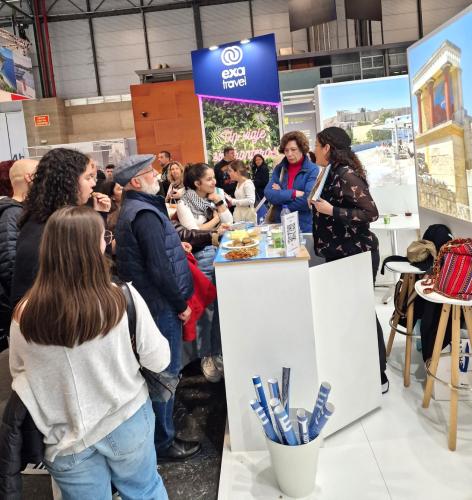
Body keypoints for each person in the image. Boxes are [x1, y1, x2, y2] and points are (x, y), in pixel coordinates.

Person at [10, 205, 170, 499]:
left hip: (64, 437)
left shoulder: (24, 314)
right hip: (126, 417)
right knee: (145, 490)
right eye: (104, 237)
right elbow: (159, 359)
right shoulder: (121, 298)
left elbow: (20, 376)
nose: (107, 242)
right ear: (93, 247)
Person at [113, 154, 200, 461]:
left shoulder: (136, 209)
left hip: (151, 302)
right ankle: (163, 442)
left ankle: (160, 437)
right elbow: (159, 269)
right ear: (136, 181)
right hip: (159, 305)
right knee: (165, 373)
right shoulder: (144, 214)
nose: (155, 176)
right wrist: (180, 304)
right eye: (149, 172)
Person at [310, 126, 388, 394]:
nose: (314, 150)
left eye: (317, 145)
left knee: (362, 312)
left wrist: (331, 210)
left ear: (327, 148)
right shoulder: (329, 172)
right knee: (348, 313)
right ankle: (357, 368)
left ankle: (378, 374)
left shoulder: (346, 174)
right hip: (339, 254)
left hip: (356, 255)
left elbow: (370, 213)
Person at [10, 148, 111, 308]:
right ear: (68, 182)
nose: (93, 183)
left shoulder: (48, 220)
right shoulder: (48, 230)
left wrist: (100, 216)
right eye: (88, 177)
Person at [177, 163, 232, 382]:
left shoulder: (215, 197)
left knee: (221, 306)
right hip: (202, 255)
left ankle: (218, 351)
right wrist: (217, 221)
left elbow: (230, 222)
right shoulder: (184, 203)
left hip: (223, 250)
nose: (214, 182)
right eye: (209, 179)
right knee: (207, 308)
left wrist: (219, 204)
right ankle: (206, 355)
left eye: (213, 178)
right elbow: (193, 233)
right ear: (197, 183)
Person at [0, 159, 38, 352]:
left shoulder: (24, 212)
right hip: (24, 306)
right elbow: (10, 266)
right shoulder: (12, 214)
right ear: (29, 178)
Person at [264, 131, 319, 233]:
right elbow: (268, 193)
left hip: (302, 226)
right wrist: (293, 193)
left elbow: (307, 201)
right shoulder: (279, 168)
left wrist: (280, 199)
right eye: (286, 150)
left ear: (302, 149)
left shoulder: (312, 169)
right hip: (280, 225)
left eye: (293, 149)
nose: (289, 154)